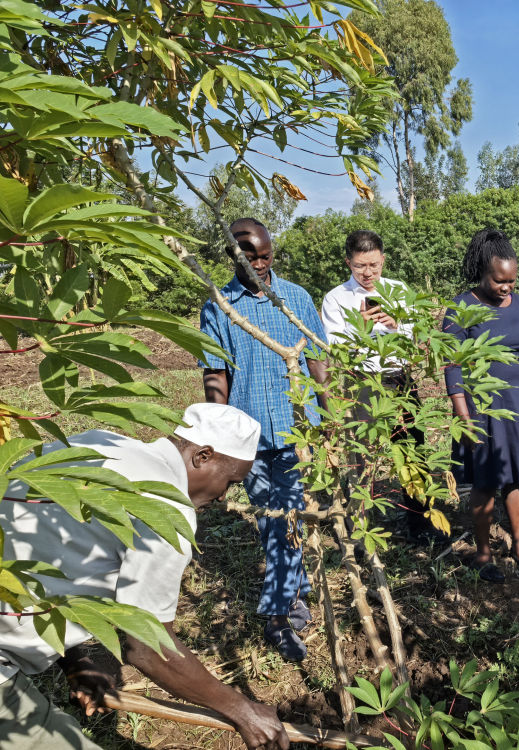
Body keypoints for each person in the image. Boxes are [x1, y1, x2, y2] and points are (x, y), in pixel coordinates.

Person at [0, 404, 291, 750]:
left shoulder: (102, 443)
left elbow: (48, 547)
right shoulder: (167, 512)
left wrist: (74, 655)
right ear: (203, 455)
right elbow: (149, 650)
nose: (224, 497)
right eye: (230, 481)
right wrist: (243, 711)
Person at [200, 218, 328, 662]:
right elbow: (216, 372)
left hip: (297, 427)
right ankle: (297, 588)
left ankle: (276, 613)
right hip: (249, 432)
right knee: (268, 519)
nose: (258, 264)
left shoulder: (296, 298)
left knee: (287, 515)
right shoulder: (218, 306)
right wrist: (217, 431)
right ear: (231, 257)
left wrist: (330, 417)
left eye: (265, 256)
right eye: (248, 257)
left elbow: (317, 358)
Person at [320, 229, 445, 546]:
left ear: (383, 259)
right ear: (348, 262)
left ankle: (420, 525)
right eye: (360, 266)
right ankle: (361, 535)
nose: (367, 273)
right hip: (361, 384)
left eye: (374, 265)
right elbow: (336, 349)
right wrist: (362, 327)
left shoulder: (399, 291)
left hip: (400, 379)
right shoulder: (335, 299)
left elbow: (418, 340)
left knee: (412, 451)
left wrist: (395, 324)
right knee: (359, 457)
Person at [443, 228, 519, 583]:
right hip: (483, 409)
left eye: (512, 281)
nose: (507, 288)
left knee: (518, 480)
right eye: (499, 280)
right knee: (486, 482)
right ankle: (483, 552)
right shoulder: (463, 307)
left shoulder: (518, 303)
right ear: (482, 271)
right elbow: (452, 365)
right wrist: (464, 415)